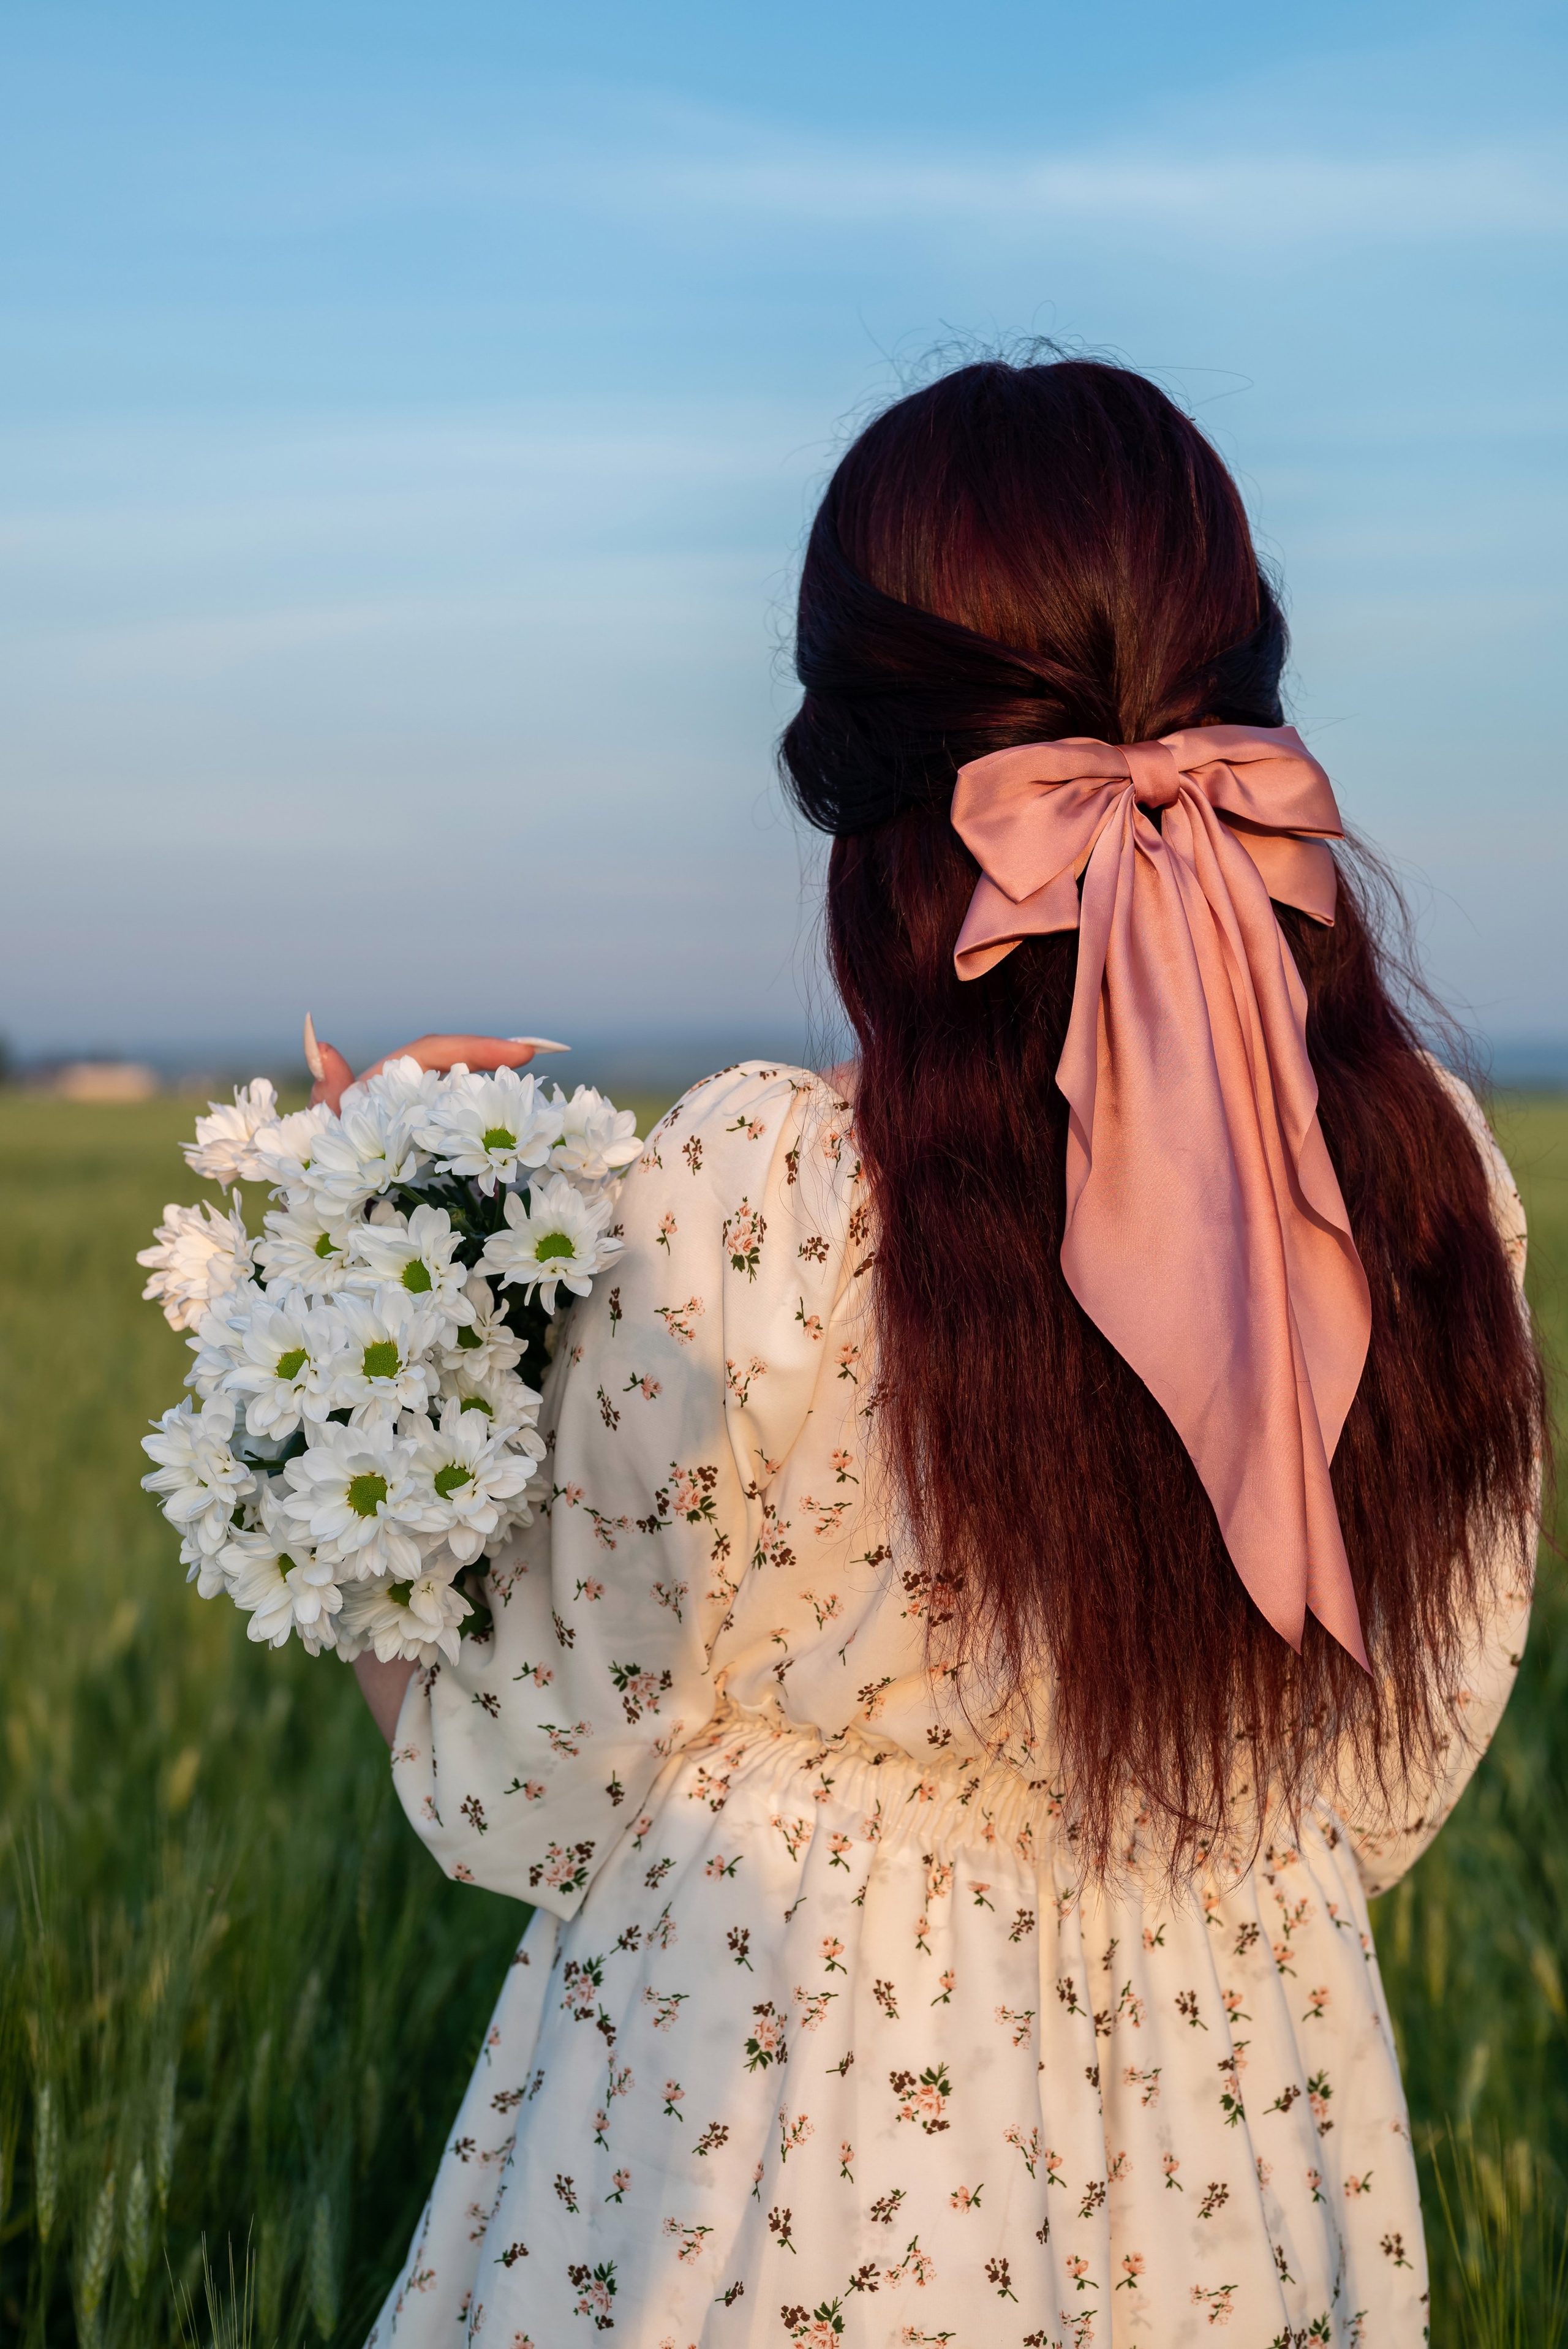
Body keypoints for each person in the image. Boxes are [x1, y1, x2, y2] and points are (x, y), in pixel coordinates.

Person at [328, 360, 1544, 2348]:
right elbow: (1390, 1773)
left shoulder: (752, 1203)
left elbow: (527, 1789)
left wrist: (380, 1368)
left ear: (852, 776)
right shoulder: (1428, 1197)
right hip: (1247, 2172)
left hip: (778, 2163)